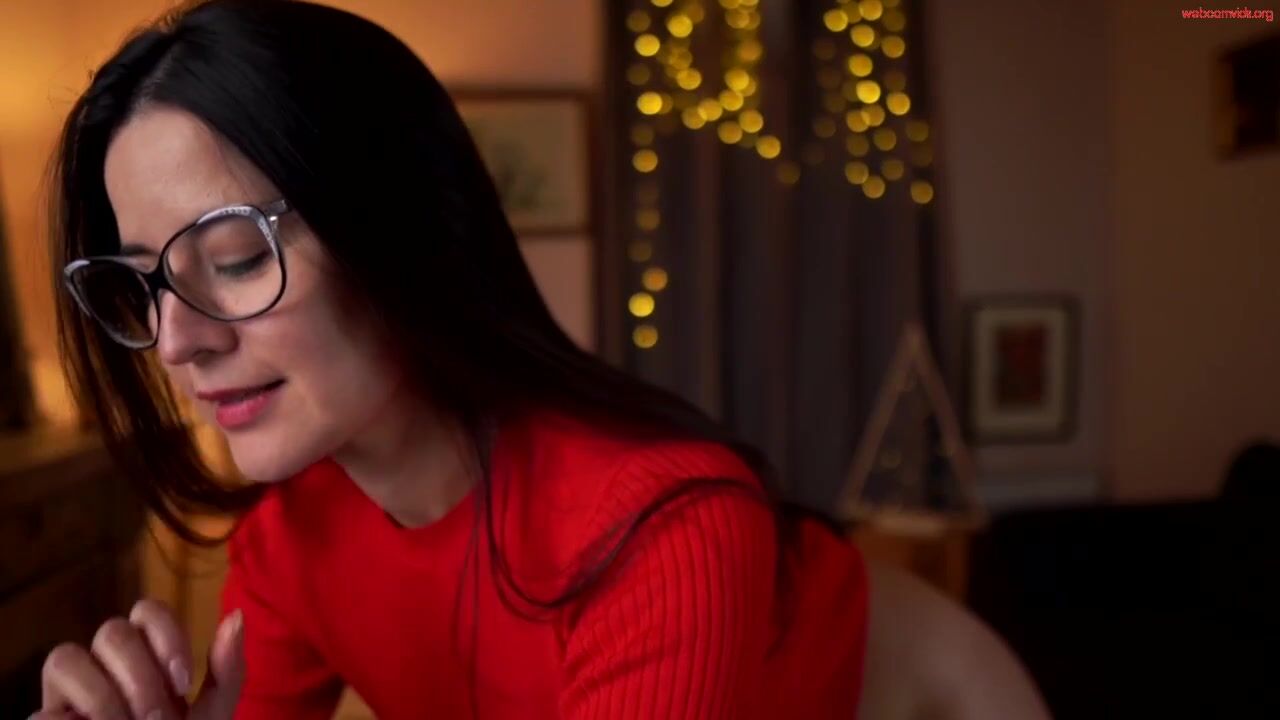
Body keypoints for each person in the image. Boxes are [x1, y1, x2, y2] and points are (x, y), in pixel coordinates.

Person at [32, 1, 1048, 719]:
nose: (177, 341)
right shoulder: (290, 542)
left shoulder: (662, 527)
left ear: (398, 232)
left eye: (236, 259)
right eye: (144, 286)